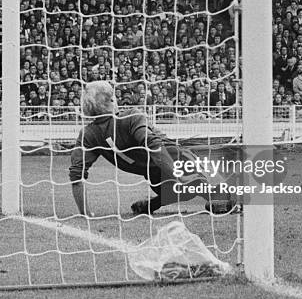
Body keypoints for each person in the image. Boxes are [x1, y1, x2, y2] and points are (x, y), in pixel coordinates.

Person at [68, 81, 233, 216]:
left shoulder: (88, 134)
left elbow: (76, 175)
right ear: (111, 101)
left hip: (158, 174)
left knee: (211, 198)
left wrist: (85, 213)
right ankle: (160, 200)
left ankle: (152, 204)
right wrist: (178, 177)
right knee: (220, 200)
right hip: (176, 161)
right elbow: (154, 146)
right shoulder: (131, 116)